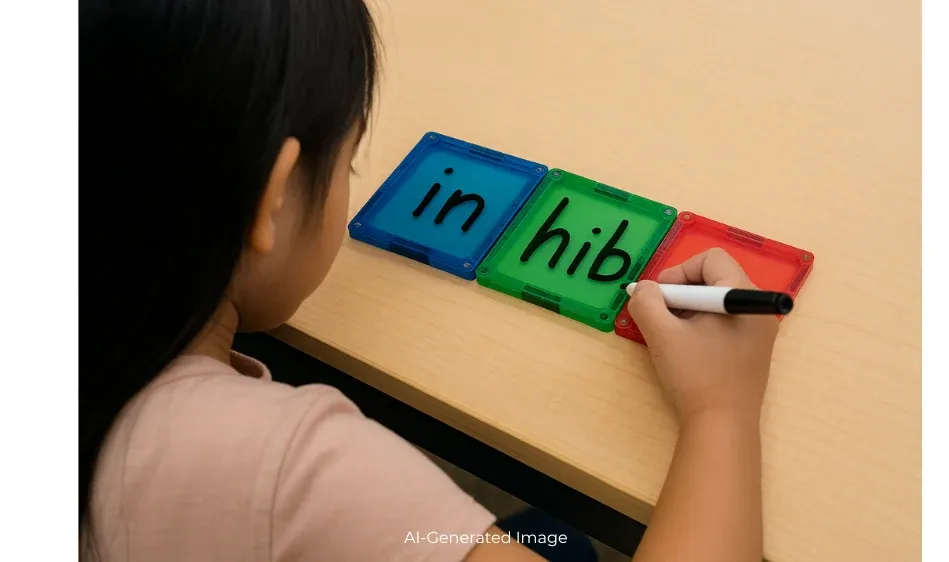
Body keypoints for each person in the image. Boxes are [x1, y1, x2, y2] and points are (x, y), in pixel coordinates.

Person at [79, 0, 778, 560]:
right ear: (276, 197)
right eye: (349, 164)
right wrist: (722, 411)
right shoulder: (296, 473)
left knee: (548, 537)